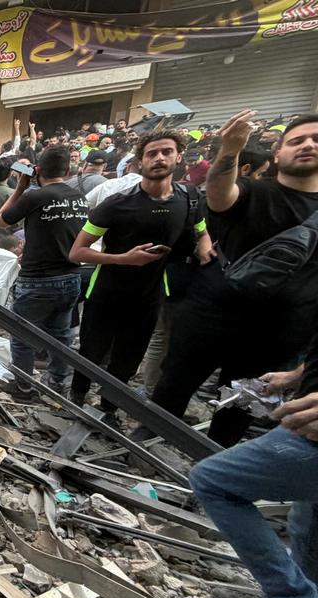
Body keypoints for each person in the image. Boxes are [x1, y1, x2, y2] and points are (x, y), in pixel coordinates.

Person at [148, 111, 318, 447]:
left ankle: (215, 452)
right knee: (176, 380)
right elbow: (218, 194)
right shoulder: (254, 192)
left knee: (243, 401)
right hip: (212, 312)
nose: (308, 145)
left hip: (282, 330)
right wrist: (229, 151)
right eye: (297, 140)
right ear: (278, 154)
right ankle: (149, 437)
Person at [67, 130, 214, 416]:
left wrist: (204, 247)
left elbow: (202, 231)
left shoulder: (190, 199)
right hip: (107, 291)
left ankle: (109, 408)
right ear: (140, 161)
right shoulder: (117, 204)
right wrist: (124, 259)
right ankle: (76, 400)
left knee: (129, 358)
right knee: (91, 352)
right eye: (152, 153)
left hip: (150, 295)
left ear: (178, 157)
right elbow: (77, 252)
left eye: (166, 152)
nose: (159, 158)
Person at [189, 322, 318, 598]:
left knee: (213, 481)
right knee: (312, 524)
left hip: (316, 436)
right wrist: (296, 375)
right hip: (312, 425)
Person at [0, 146, 90, 398]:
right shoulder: (79, 196)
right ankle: (56, 384)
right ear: (68, 170)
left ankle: (24, 386)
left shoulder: (35, 196)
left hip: (37, 280)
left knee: (22, 335)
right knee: (61, 335)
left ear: (37, 171)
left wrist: (20, 187)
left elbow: (2, 220)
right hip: (71, 277)